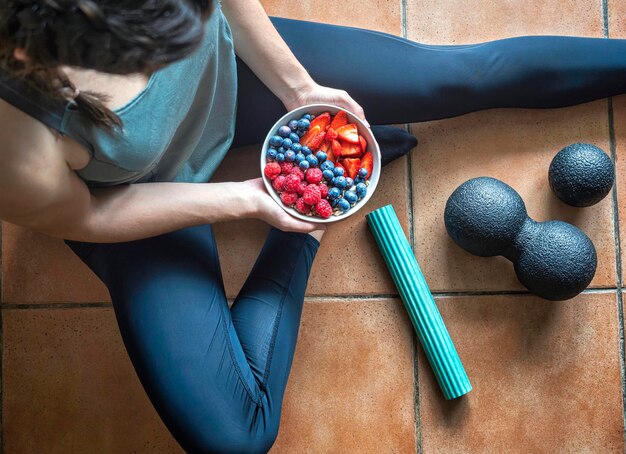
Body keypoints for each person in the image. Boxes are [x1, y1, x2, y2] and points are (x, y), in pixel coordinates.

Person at [0, 0, 625, 452]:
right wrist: (249, 199)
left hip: (233, 72)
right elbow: (83, 214)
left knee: (451, 76)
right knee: (233, 436)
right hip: (134, 187)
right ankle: (304, 226)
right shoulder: (13, 143)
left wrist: (301, 91)